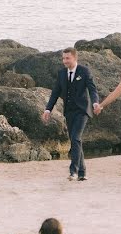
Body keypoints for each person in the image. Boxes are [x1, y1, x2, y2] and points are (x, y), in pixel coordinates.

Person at [42, 48, 100, 181]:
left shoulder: (84, 71)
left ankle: (73, 171)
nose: (65, 61)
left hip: (82, 110)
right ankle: (82, 172)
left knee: (75, 138)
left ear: (74, 58)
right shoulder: (62, 73)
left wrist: (95, 103)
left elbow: (92, 89)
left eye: (67, 58)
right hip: (69, 111)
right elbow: (55, 92)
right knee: (76, 140)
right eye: (63, 58)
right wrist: (48, 109)